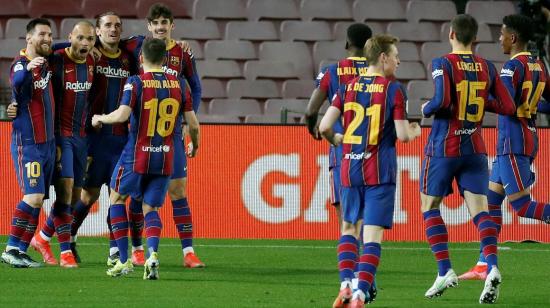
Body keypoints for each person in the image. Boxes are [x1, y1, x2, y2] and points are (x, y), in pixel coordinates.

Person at [319, 34, 421, 308]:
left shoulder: (347, 87)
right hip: (379, 172)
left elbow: (324, 127)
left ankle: (345, 285)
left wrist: (337, 141)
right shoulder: (393, 90)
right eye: (396, 56)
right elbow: (401, 135)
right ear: (383, 57)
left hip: (349, 168)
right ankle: (361, 294)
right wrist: (415, 130)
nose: (399, 61)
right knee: (372, 235)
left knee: (349, 228)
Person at [420, 14, 516, 304]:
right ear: (475, 38)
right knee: (480, 211)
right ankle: (492, 265)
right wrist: (482, 98)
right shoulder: (487, 66)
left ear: (451, 34)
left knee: (429, 206)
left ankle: (444, 270)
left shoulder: (442, 63)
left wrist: (425, 108)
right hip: (474, 147)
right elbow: (509, 105)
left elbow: (442, 101)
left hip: (444, 147)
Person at [91, 37, 200, 278]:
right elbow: (193, 124)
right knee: (151, 207)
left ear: (141, 58)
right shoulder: (180, 84)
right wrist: (196, 145)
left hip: (136, 155)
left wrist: (100, 118)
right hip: (165, 158)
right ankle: (152, 256)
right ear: (164, 59)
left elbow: (121, 116)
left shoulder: (136, 82)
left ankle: (122, 260)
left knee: (117, 199)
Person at [459, 14, 550, 280]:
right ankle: (482, 264)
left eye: (501, 34)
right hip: (521, 140)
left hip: (512, 142)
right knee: (491, 202)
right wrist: (531, 107)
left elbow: (505, 103)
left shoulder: (511, 68)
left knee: (521, 206)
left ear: (512, 37)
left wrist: (476, 99)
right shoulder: (538, 65)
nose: (499, 39)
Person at [121, 3, 204, 268]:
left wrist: (185, 119)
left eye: (164, 23)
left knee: (178, 190)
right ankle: (136, 248)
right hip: (140, 134)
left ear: (172, 25)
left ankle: (188, 252)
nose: (159, 27)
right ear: (149, 26)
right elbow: (102, 42)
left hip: (170, 133)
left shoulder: (183, 52)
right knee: (137, 194)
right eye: (155, 23)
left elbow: (196, 88)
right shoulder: (136, 46)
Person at [304, 23, 375, 308]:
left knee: (348, 223)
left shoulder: (333, 71)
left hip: (343, 153)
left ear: (347, 44)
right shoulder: (378, 74)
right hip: (374, 155)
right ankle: (364, 282)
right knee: (369, 225)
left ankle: (352, 283)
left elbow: (311, 110)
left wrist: (315, 128)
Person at [66, 13, 139, 266]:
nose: (113, 29)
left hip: (122, 140)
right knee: (88, 196)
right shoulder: (89, 56)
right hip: (94, 138)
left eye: (118, 25)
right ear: (97, 31)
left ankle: (115, 250)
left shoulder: (130, 59)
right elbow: (64, 51)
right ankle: (69, 239)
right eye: (107, 25)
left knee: (118, 196)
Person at [26, 21, 96, 269]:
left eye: (90, 39)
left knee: (75, 196)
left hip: (80, 138)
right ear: (70, 37)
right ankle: (65, 251)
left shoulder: (91, 62)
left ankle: (42, 238)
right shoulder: (55, 60)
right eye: (80, 38)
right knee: (64, 193)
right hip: (59, 137)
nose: (85, 44)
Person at [1, 18, 55, 268]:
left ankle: (21, 251)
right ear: (29, 38)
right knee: (32, 196)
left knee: (39, 198)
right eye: (42, 34)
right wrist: (28, 67)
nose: (47, 39)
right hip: (28, 144)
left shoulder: (46, 60)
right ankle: (11, 247)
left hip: (48, 144)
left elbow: (69, 44)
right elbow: (16, 82)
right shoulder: (20, 64)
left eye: (50, 35)